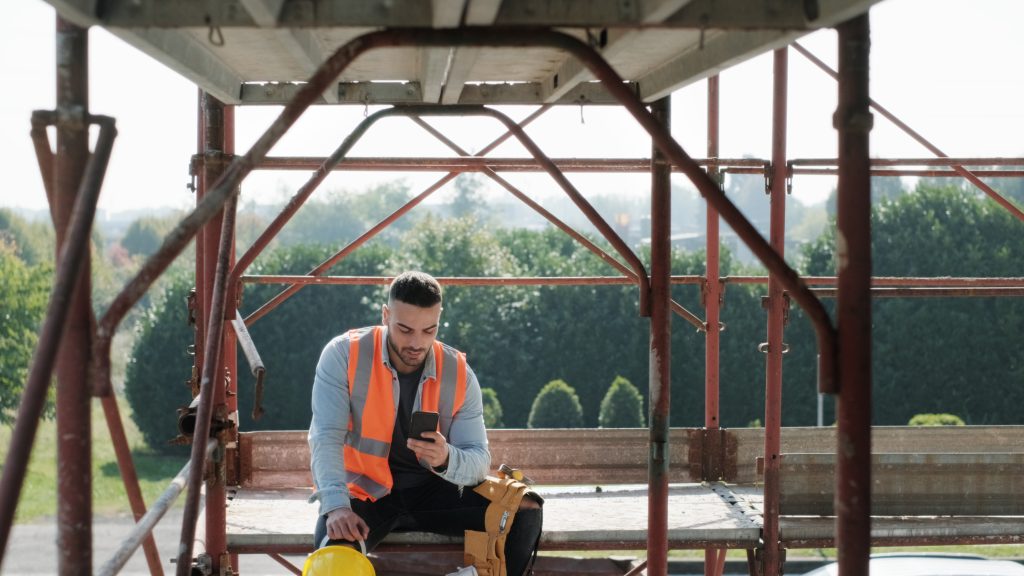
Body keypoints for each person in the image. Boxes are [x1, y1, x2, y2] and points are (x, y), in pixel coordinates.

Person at [309, 271, 543, 575]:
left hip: (434, 491)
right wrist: (336, 506)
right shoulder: (343, 354)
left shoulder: (458, 373)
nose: (416, 343)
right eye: (404, 329)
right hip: (364, 494)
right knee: (332, 565)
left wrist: (447, 458)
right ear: (385, 315)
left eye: (429, 330)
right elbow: (325, 437)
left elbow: (478, 462)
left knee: (525, 509)